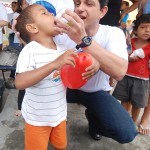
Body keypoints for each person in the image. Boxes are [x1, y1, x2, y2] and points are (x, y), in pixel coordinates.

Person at [55, 0, 137, 143]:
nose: (80, 8)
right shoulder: (62, 31)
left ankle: (94, 120)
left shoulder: (113, 33)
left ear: (103, 11)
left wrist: (84, 42)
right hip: (64, 88)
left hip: (94, 92)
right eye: (77, 3)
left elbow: (119, 72)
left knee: (126, 132)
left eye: (89, 4)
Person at [15, 4, 79, 150]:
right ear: (33, 28)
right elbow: (19, 82)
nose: (51, 14)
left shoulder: (61, 47)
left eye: (51, 12)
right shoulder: (30, 50)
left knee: (60, 145)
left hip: (59, 114)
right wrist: (54, 64)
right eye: (44, 13)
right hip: (37, 119)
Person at [113, 14, 150, 123]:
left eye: (149, 28)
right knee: (124, 100)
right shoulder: (130, 43)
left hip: (142, 81)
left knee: (137, 104)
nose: (147, 30)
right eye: (143, 27)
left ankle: (132, 122)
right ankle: (125, 120)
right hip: (126, 76)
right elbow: (123, 52)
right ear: (135, 30)